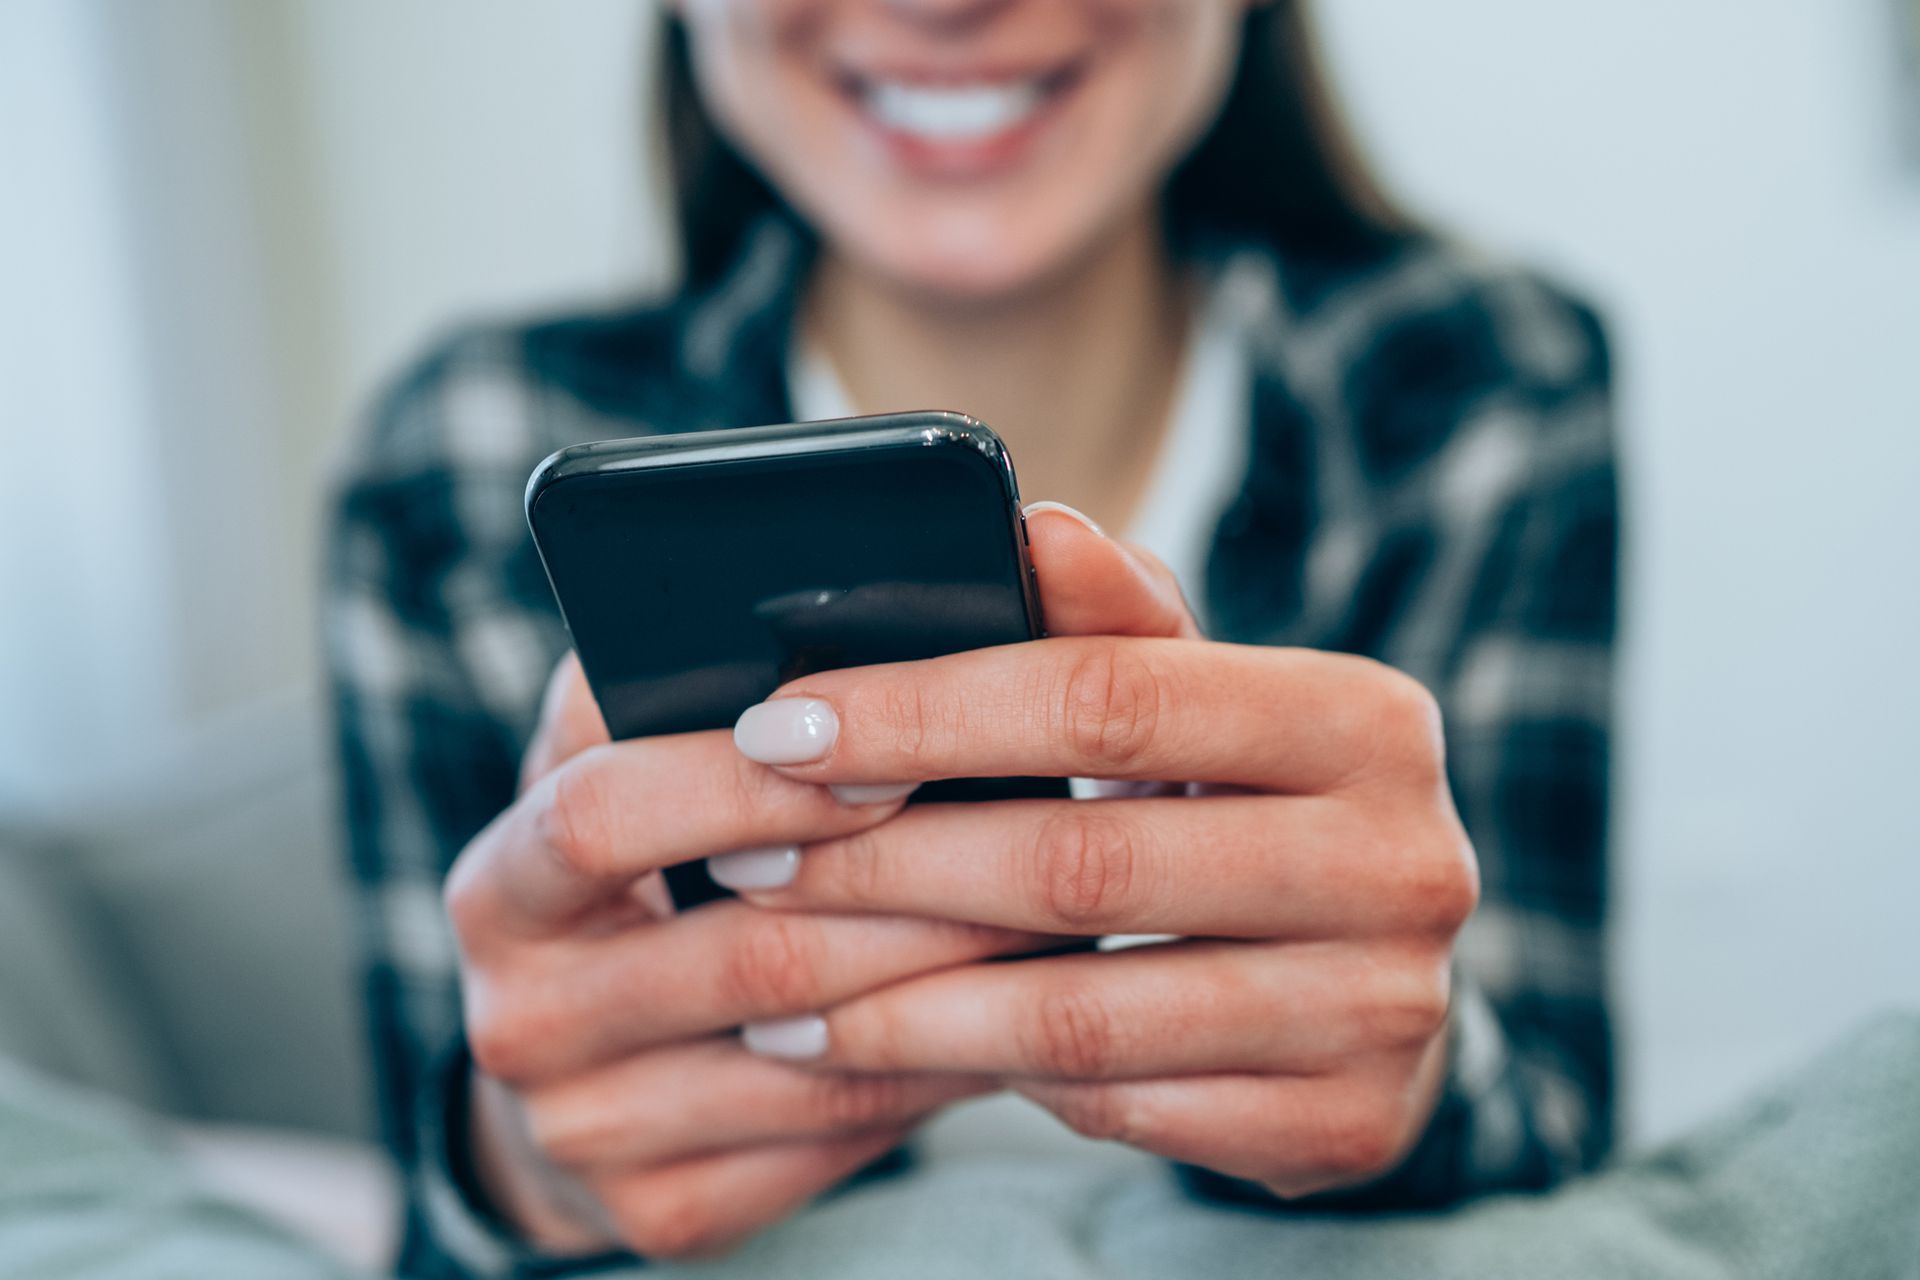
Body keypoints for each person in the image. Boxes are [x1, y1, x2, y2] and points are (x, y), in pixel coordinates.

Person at [326, 1, 1619, 1274]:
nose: (944, 7)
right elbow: (432, 1232)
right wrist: (528, 1174)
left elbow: (1555, 1164)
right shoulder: (458, 467)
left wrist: (1423, 1084)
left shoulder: (1478, 391)